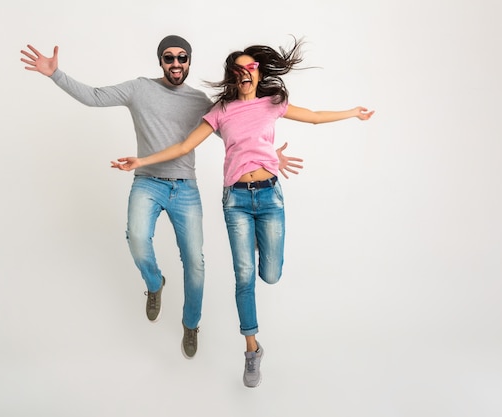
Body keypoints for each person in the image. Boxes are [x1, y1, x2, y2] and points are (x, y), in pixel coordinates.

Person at [19, 35, 304, 359]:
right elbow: (94, 97)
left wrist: (269, 159)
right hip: (147, 182)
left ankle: (191, 324)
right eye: (169, 58)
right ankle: (155, 283)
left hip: (185, 188)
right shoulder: (139, 89)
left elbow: (244, 128)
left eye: (182, 58)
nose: (176, 64)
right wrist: (56, 73)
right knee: (138, 238)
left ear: (189, 61)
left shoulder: (201, 101)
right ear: (160, 61)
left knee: (195, 263)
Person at [112, 36, 374, 386]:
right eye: (238, 70)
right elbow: (183, 145)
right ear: (233, 77)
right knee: (245, 278)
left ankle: (255, 247)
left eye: (251, 68)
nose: (246, 74)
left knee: (271, 274)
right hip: (235, 200)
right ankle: (252, 350)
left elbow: (313, 117)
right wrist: (141, 160)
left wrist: (352, 112)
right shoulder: (221, 111)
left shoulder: (272, 104)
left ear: (259, 72)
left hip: (269, 199)